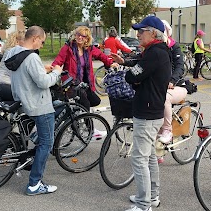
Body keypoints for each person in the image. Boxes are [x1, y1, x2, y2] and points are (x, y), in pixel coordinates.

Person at [111, 16, 171, 211]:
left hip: (147, 112)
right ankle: (151, 197)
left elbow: (131, 75)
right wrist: (136, 75)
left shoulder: (155, 54)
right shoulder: (156, 52)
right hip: (152, 110)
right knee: (150, 156)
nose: (137, 34)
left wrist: (136, 78)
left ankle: (144, 204)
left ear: (153, 33)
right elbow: (137, 72)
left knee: (139, 159)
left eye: (141, 31)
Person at [4, 26, 62, 196]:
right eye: (42, 42)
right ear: (35, 38)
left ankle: (34, 143)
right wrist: (56, 73)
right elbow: (43, 83)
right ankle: (34, 184)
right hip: (39, 105)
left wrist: (41, 70)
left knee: (41, 138)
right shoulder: (32, 57)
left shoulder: (13, 52)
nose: (42, 46)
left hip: (22, 101)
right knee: (46, 144)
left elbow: (24, 74)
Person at [52, 26, 115, 138]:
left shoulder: (89, 49)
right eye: (78, 34)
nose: (80, 37)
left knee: (95, 100)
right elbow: (58, 61)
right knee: (85, 104)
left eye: (83, 36)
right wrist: (52, 71)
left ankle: (74, 117)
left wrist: (111, 63)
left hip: (85, 84)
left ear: (87, 39)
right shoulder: (68, 48)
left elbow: (101, 56)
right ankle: (91, 130)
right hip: (72, 84)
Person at [156, 20, 186, 164]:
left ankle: (167, 130)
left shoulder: (174, 47)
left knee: (164, 98)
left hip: (177, 86)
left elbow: (180, 66)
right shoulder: (155, 47)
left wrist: (172, 80)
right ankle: (158, 152)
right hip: (160, 86)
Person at [0, 30, 26, 101]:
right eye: (25, 40)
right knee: (28, 99)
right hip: (5, 84)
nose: (27, 42)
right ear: (17, 41)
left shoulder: (9, 51)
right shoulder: (15, 52)